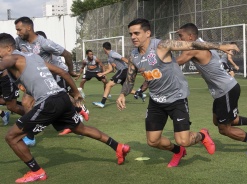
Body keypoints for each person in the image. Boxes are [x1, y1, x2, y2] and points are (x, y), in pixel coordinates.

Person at [0, 33, 130, 183]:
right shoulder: (34, 57)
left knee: (11, 137)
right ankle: (118, 146)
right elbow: (61, 72)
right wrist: (75, 93)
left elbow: (4, 64)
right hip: (61, 97)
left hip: (48, 102)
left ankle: (37, 171)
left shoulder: (11, 57)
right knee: (81, 128)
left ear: (9, 48)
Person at [116, 18, 237, 167]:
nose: (133, 37)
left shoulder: (162, 45)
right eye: (131, 34)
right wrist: (122, 94)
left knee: (184, 140)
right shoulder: (134, 55)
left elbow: (192, 44)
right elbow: (130, 78)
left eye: (137, 33)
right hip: (156, 101)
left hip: (177, 98)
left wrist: (220, 46)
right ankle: (177, 151)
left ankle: (202, 135)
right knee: (152, 141)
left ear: (148, 33)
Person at [176, 23, 247, 154]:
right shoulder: (202, 43)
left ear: (190, 36)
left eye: (181, 36)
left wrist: (154, 59)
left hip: (226, 90)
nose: (179, 40)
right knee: (219, 121)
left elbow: (174, 63)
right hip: (223, 90)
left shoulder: (193, 49)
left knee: (224, 129)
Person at [13, 17, 79, 144]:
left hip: (47, 78)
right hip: (32, 79)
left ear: (29, 28)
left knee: (28, 102)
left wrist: (70, 70)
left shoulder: (44, 43)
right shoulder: (18, 41)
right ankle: (77, 113)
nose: (17, 33)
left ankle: (31, 135)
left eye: (19, 29)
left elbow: (67, 54)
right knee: (30, 103)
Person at [93, 42, 145, 108]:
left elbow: (123, 59)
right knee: (126, 88)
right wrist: (102, 73)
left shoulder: (113, 53)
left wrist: (134, 67)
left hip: (123, 70)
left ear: (104, 48)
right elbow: (110, 69)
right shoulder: (109, 58)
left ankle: (102, 103)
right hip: (122, 71)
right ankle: (140, 94)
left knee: (108, 84)